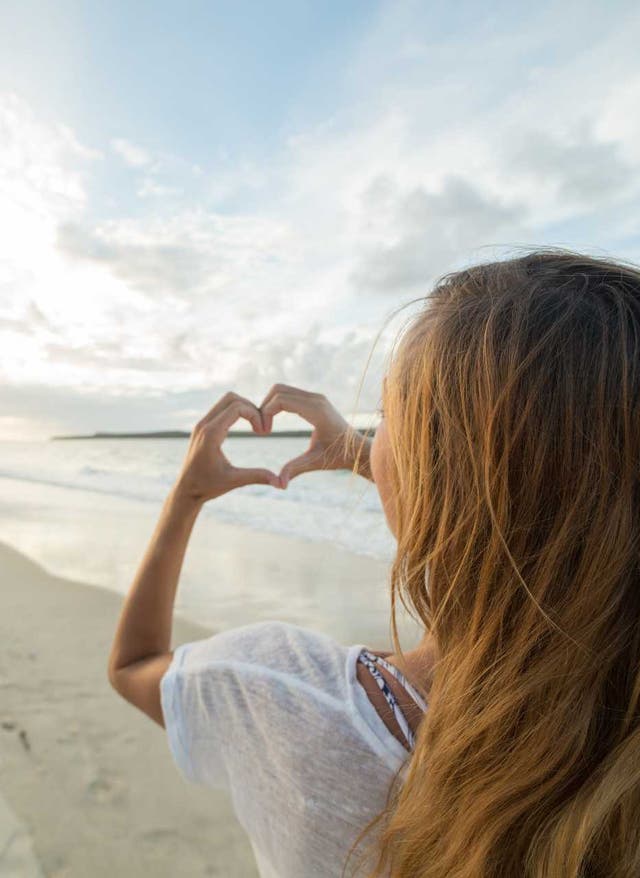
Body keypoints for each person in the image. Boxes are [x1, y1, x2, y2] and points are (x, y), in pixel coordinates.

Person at [108, 248, 640, 878]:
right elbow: (524, 505)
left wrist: (185, 497)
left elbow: (134, 666)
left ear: (422, 472)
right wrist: (368, 456)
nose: (377, 436)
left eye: (390, 415)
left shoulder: (282, 694)